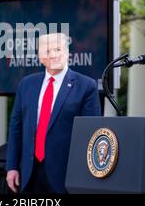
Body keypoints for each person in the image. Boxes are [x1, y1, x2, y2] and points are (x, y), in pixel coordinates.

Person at [6, 33, 102, 194]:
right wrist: (12, 166)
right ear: (39, 56)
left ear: (67, 53)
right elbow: (16, 128)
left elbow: (91, 134)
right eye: (47, 50)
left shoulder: (86, 86)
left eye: (58, 49)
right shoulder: (26, 84)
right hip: (29, 174)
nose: (53, 54)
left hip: (66, 175)